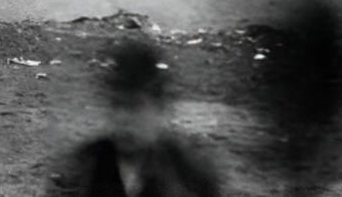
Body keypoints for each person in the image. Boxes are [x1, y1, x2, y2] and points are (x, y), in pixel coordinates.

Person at [45, 38, 221, 197]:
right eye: (116, 104)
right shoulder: (77, 175)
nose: (122, 118)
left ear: (162, 109)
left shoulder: (190, 178)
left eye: (135, 106)